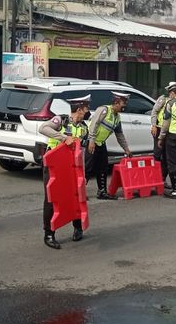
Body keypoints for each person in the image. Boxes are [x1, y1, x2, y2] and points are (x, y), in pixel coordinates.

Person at [39, 96, 90, 249]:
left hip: (72, 167)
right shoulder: (61, 120)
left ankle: (78, 227)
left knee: (75, 195)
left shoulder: (84, 127)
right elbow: (43, 128)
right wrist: (63, 138)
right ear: (79, 109)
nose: (88, 111)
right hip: (54, 165)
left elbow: (82, 152)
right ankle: (49, 234)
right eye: (86, 108)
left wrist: (83, 173)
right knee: (51, 198)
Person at [87, 92, 134, 200]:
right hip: (91, 142)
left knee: (103, 168)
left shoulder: (117, 117)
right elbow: (94, 124)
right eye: (123, 104)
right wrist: (91, 140)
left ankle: (102, 192)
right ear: (116, 103)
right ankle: (78, 194)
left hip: (101, 144)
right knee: (88, 169)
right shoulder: (104, 110)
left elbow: (119, 135)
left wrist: (126, 149)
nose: (124, 107)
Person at [150, 82, 176, 186]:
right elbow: (154, 112)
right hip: (159, 129)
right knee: (157, 155)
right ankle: (154, 178)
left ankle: (162, 178)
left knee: (168, 157)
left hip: (171, 131)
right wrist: (153, 125)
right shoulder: (163, 99)